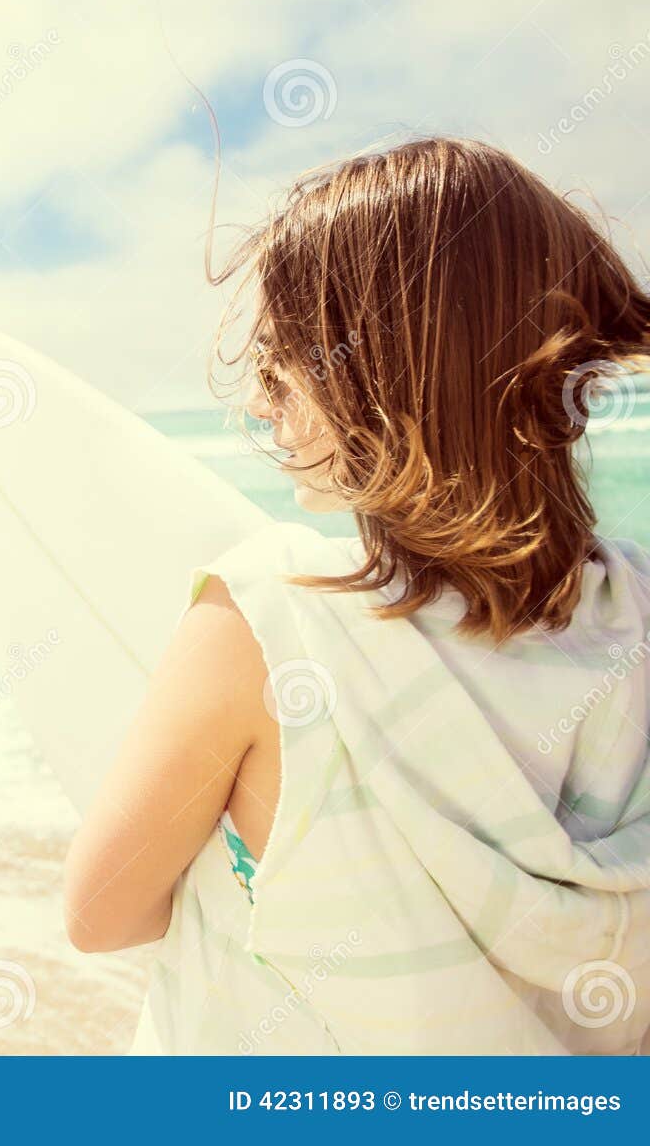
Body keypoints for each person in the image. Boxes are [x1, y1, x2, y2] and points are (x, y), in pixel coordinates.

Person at [63, 137, 650, 1053]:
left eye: (281, 363)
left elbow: (102, 913)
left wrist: (255, 845)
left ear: (381, 376)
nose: (265, 404)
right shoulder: (639, 614)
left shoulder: (268, 619)